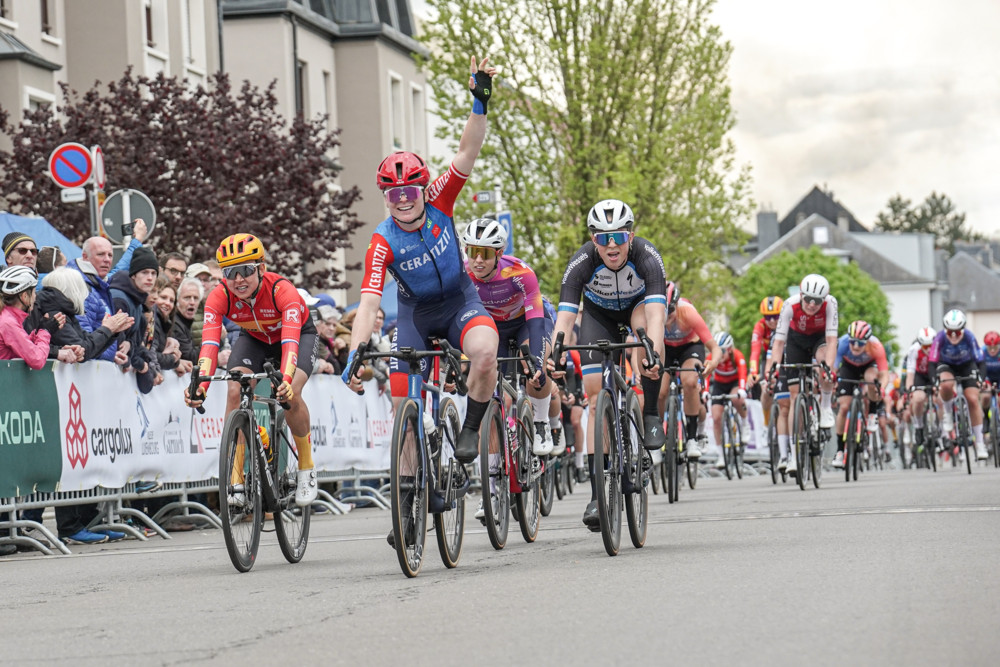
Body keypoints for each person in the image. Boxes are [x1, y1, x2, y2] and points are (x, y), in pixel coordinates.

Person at [343, 55, 500, 474]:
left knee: (485, 353)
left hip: (459, 302)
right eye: (394, 195)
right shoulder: (382, 241)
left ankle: (470, 427)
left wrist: (480, 102)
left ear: (422, 190)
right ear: (385, 198)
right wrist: (356, 352)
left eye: (410, 192)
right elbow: (368, 304)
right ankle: (412, 492)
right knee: (404, 411)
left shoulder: (440, 200)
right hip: (415, 315)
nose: (404, 201)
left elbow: (468, 150)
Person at [549, 198, 667, 530]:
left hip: (637, 309)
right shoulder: (582, 261)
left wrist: (654, 355)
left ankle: (650, 413)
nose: (612, 245)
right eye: (603, 238)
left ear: (631, 236)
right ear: (593, 240)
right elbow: (565, 319)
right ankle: (597, 494)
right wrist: (556, 353)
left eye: (618, 236)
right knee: (593, 395)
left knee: (646, 345)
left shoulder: (647, 256)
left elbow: (657, 317)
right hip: (599, 316)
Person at [184, 233, 319, 507]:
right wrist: (201, 386)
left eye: (245, 270)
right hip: (255, 339)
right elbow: (209, 344)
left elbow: (290, 342)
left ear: (261, 268)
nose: (238, 279)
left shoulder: (282, 290)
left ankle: (306, 467)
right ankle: (235, 477)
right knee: (235, 389)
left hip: (296, 337)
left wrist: (286, 379)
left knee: (290, 393)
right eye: (230, 273)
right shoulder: (219, 296)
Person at [463, 217, 554, 455]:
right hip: (493, 328)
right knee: (493, 399)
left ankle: (541, 421)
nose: (478, 260)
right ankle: (493, 472)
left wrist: (537, 361)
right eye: (472, 252)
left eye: (485, 253)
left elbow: (536, 320)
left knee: (533, 365)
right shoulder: (462, 275)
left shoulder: (519, 272)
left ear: (499, 253)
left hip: (525, 323)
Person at [763, 274, 838, 476]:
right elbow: (779, 343)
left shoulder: (831, 304)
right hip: (795, 340)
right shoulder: (790, 304)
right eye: (808, 299)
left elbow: (832, 341)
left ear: (824, 299)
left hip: (820, 339)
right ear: (801, 294)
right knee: (795, 396)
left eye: (817, 301)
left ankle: (825, 407)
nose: (812, 305)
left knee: (824, 365)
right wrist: (774, 367)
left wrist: (828, 367)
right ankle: (794, 455)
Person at [654, 283, 721, 460]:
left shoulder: (688, 312)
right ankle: (657, 437)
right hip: (665, 349)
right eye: (663, 311)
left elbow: (715, 348)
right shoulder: (651, 313)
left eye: (670, 311)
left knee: (690, 382)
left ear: (677, 305)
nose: (667, 316)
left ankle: (691, 438)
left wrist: (712, 363)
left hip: (690, 347)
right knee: (660, 391)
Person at [68, 220, 148, 364]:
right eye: (100, 255)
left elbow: (120, 268)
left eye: (110, 255)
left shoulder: (99, 281)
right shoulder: (78, 287)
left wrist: (137, 240)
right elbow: (84, 343)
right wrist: (108, 356)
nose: (107, 260)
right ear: (85, 257)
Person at [25, 267, 131, 362]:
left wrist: (111, 331)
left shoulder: (63, 311)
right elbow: (83, 351)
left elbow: (89, 347)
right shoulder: (55, 314)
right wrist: (107, 329)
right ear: (75, 290)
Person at [929, 309, 988, 460]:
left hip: (966, 365)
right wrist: (934, 382)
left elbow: (981, 361)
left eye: (957, 331)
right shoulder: (940, 338)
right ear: (945, 330)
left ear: (963, 329)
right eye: (950, 332)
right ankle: (948, 413)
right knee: (946, 385)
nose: (954, 335)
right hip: (946, 365)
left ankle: (979, 443)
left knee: (973, 399)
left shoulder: (969, 336)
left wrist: (980, 379)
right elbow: (932, 362)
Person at [831, 320, 889, 468]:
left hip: (868, 366)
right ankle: (840, 450)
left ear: (867, 342)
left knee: (871, 379)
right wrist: (832, 382)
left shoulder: (876, 346)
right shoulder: (842, 343)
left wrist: (881, 388)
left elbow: (884, 374)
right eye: (853, 342)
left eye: (861, 343)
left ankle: (872, 413)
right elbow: (834, 368)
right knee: (844, 407)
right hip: (849, 367)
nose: (856, 346)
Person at [109, 247, 162, 394]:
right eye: (144, 272)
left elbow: (135, 343)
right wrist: (140, 363)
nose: (150, 278)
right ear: (133, 275)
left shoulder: (138, 302)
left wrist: (131, 345)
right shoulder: (120, 299)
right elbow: (117, 345)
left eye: (153, 273)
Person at [708, 331, 750, 458]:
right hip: (719, 384)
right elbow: (706, 374)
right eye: (717, 350)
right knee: (716, 418)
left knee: (737, 399)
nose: (719, 354)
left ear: (730, 349)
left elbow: (743, 373)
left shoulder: (737, 355)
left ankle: (744, 423)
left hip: (734, 383)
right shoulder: (711, 357)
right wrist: (704, 392)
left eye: (722, 351)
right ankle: (721, 455)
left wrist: (742, 389)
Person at [748, 296, 783, 424]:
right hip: (768, 358)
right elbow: (755, 351)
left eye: (776, 316)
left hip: (785, 355)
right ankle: (766, 424)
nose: (772, 321)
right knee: (765, 388)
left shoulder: (787, 322)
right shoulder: (760, 326)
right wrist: (753, 372)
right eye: (768, 317)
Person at [904, 327, 939, 453]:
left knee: (940, 397)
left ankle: (944, 431)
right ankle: (919, 427)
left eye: (930, 346)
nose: (928, 349)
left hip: (935, 373)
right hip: (921, 376)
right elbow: (910, 371)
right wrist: (910, 389)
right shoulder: (914, 350)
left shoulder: (939, 347)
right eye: (925, 346)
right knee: (918, 399)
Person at [170, 277, 202, 364]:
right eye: (187, 298)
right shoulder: (175, 324)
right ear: (177, 300)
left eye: (196, 298)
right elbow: (190, 358)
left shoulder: (185, 321)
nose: (192, 302)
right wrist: (214, 339)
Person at [979, 331, 1000, 435]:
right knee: (986, 396)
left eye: (995, 347)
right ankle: (986, 417)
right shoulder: (982, 352)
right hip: (987, 377)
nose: (992, 350)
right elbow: (978, 367)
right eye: (989, 348)